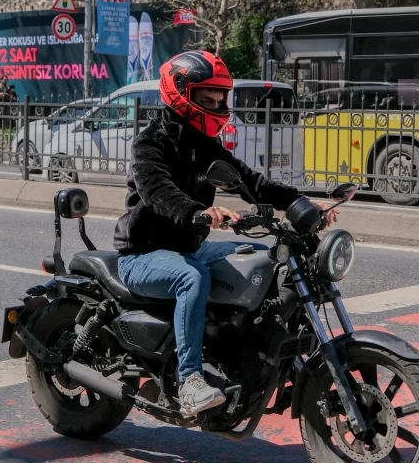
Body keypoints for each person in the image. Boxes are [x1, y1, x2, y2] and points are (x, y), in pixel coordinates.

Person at [114, 51, 338, 419]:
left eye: (221, 97)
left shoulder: (206, 147)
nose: (218, 104)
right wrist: (199, 213)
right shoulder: (150, 144)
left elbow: (253, 183)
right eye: (208, 98)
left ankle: (253, 355)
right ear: (180, 93)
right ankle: (189, 382)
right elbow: (159, 193)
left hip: (186, 248)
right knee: (191, 277)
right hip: (142, 254)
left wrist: (301, 203)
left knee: (262, 257)